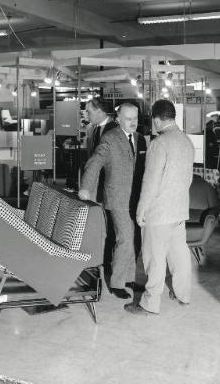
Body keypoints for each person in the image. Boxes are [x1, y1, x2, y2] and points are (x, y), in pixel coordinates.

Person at [125, 100, 194, 315]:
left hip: (159, 212)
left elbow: (150, 182)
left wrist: (141, 209)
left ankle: (150, 304)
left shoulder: (159, 143)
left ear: (156, 119)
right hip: (179, 209)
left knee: (154, 258)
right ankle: (183, 295)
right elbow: (189, 178)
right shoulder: (186, 141)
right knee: (179, 255)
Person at [79, 103, 146, 299]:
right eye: (128, 118)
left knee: (133, 238)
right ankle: (117, 283)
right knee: (125, 238)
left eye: (135, 118)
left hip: (136, 197)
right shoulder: (110, 139)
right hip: (117, 197)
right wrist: (85, 187)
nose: (133, 122)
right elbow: (94, 164)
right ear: (118, 119)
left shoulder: (140, 139)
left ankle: (129, 278)